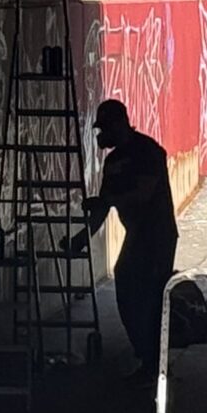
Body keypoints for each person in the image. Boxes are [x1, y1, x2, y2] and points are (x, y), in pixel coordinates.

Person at [72, 99, 177, 379]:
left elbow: (142, 194)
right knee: (130, 290)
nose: (101, 135)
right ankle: (147, 356)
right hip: (138, 233)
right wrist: (82, 238)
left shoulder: (148, 152)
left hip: (157, 234)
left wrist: (106, 201)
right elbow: (104, 206)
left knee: (152, 297)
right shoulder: (113, 162)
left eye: (105, 128)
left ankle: (154, 362)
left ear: (120, 124)